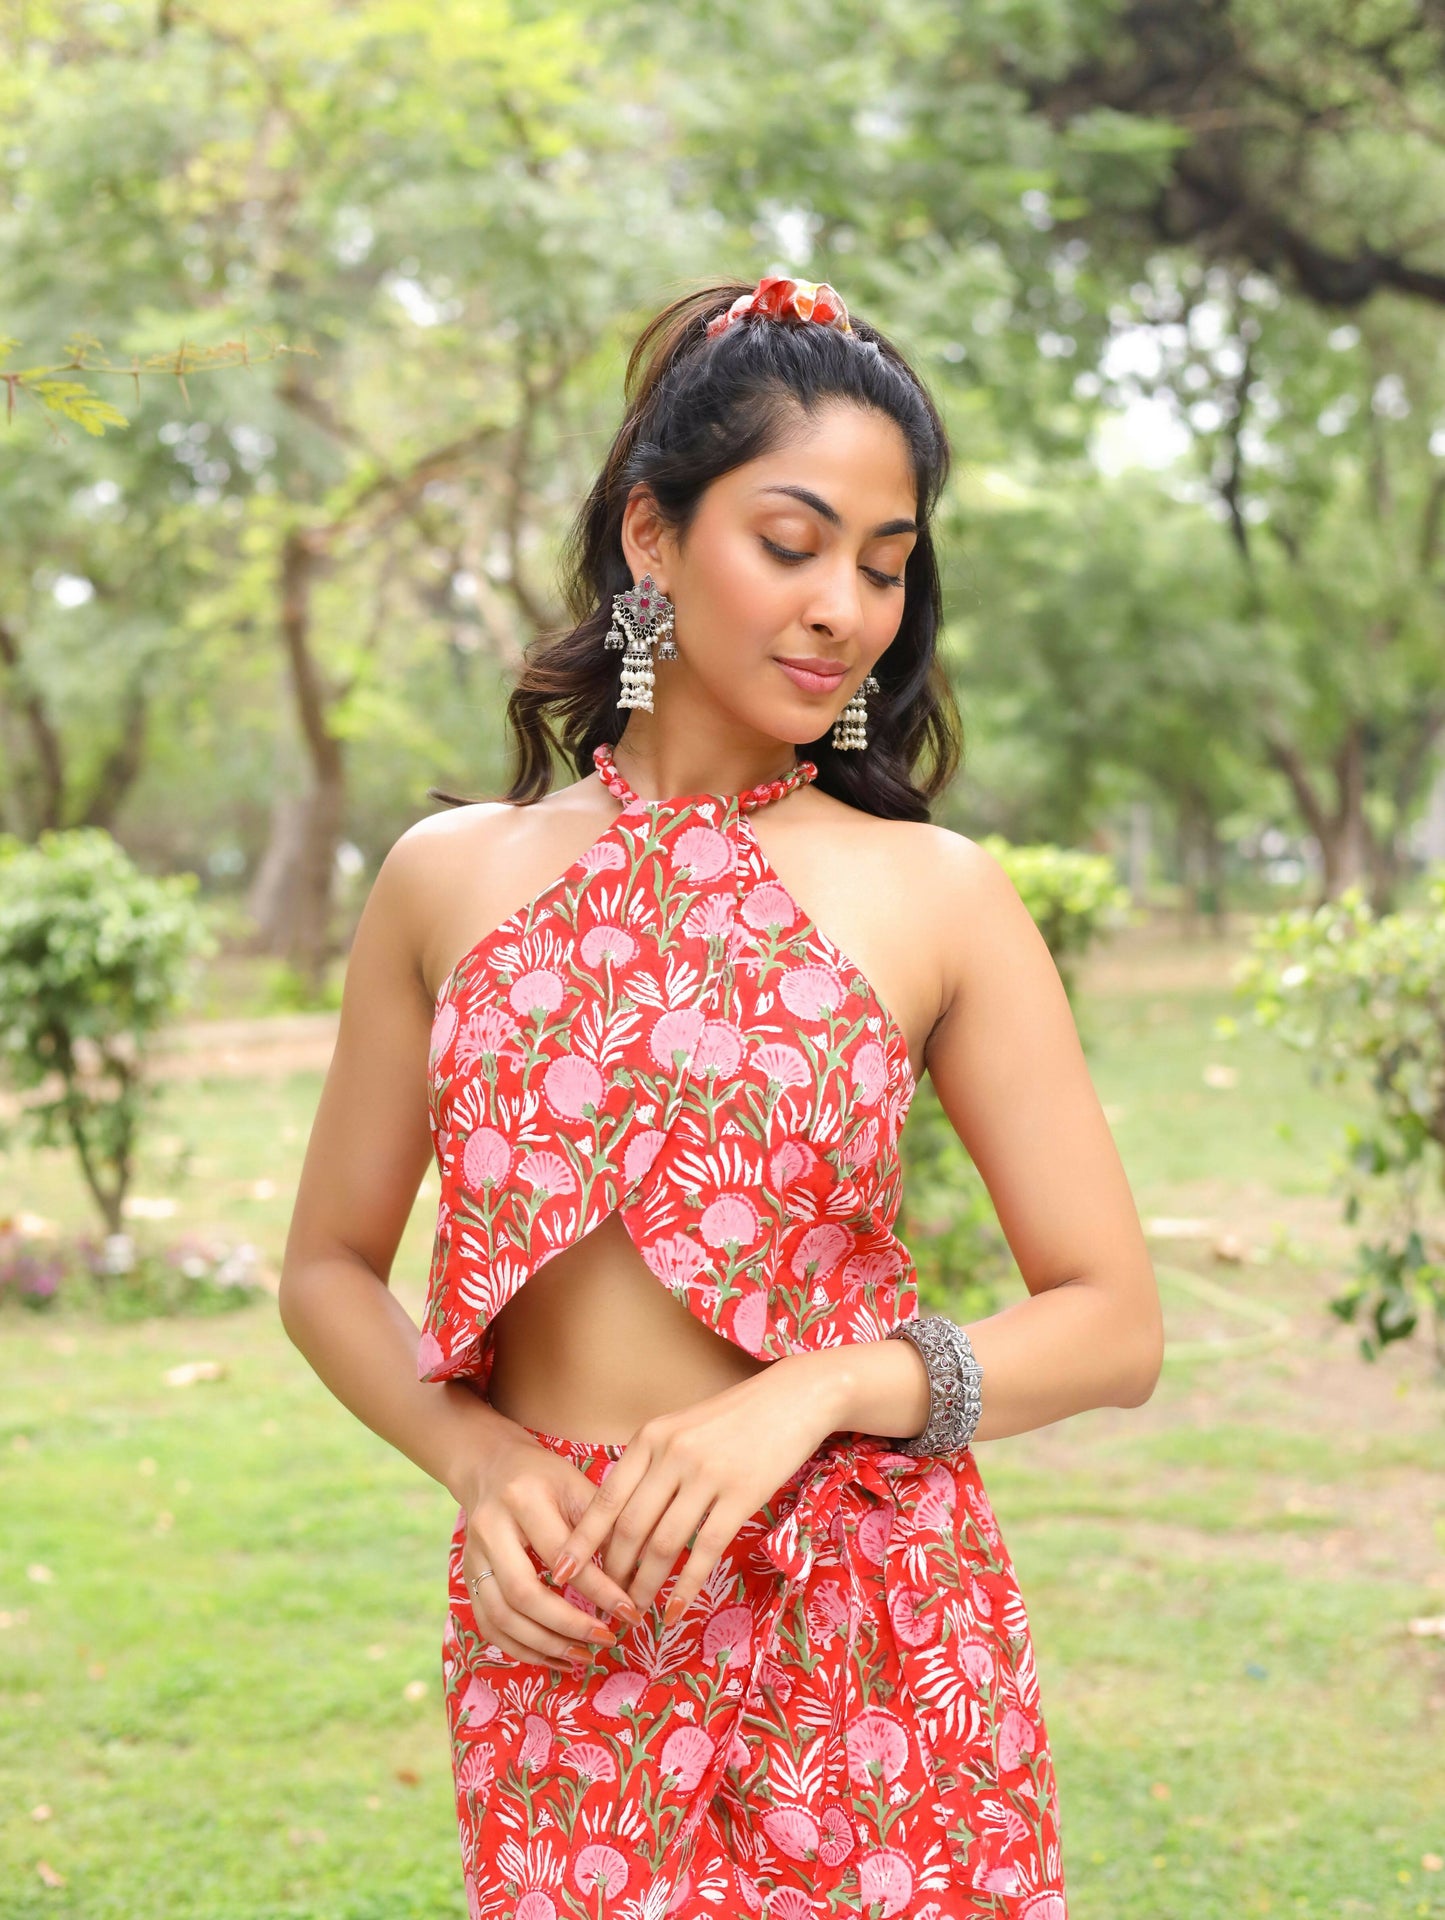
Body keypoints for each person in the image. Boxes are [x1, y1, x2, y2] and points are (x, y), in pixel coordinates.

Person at [279, 274, 1163, 1919]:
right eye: (792, 541)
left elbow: (1112, 1323)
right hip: (569, 1628)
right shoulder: (442, 883)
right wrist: (475, 1465)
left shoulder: (937, 893)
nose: (846, 609)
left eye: (886, 569)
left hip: (881, 1639)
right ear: (650, 537)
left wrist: (815, 1390)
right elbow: (327, 1267)